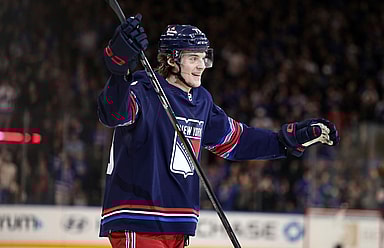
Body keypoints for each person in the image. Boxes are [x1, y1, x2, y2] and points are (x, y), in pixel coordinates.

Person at [97, 14, 340, 248]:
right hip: (139, 218)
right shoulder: (143, 89)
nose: (201, 65)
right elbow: (113, 114)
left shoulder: (200, 101)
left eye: (204, 58)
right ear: (171, 59)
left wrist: (288, 139)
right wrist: (118, 70)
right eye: (193, 58)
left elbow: (237, 141)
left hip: (177, 225)